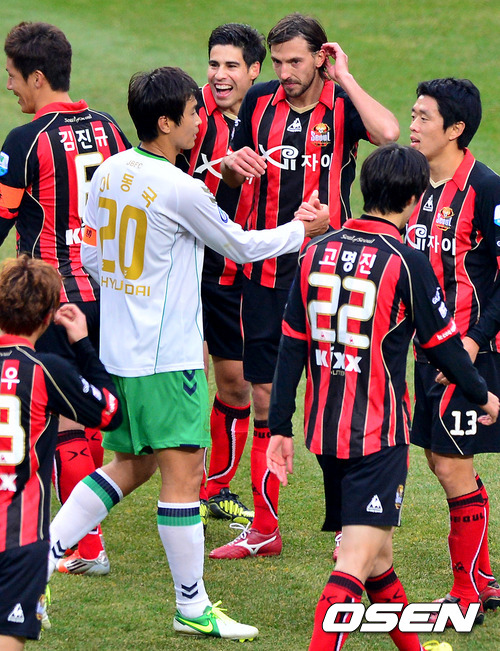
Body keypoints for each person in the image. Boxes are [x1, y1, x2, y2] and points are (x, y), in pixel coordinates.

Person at [46, 66, 328, 641]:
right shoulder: (181, 188)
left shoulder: (110, 171)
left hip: (119, 352)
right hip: (167, 360)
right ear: (166, 121)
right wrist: (304, 229)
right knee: (182, 475)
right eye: (194, 112)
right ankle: (192, 606)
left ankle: (33, 566)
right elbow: (241, 247)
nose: (202, 120)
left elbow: (92, 256)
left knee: (130, 466)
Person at [265, 143, 499, 650]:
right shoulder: (407, 262)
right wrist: (483, 395)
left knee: (378, 560)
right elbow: (444, 347)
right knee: (355, 561)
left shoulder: (315, 252)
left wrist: (279, 427)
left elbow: (290, 347)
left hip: (324, 435)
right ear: (414, 200)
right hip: (377, 437)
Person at [210, 11, 400, 560]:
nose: (285, 73)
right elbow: (232, 171)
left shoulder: (342, 103)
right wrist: (233, 164)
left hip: (331, 272)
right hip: (267, 270)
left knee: (337, 400)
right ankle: (265, 527)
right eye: (278, 62)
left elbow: (389, 135)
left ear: (321, 57)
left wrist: (347, 77)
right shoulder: (259, 101)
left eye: (296, 61)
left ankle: (346, 524)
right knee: (266, 394)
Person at [0, 21, 131, 575]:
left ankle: (85, 546)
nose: (9, 86)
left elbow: (2, 217)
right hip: (110, 293)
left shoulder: (24, 141)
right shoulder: (109, 128)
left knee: (63, 425)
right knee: (90, 403)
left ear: (37, 77)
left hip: (53, 299)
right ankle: (84, 532)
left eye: (12, 76)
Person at [406, 78, 500, 623]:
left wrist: (473, 340)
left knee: (449, 464)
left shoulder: (486, 189)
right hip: (429, 353)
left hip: (470, 352)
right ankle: (482, 579)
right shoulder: (413, 182)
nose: (413, 126)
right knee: (445, 461)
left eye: (424, 117)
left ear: (456, 129)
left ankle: (466, 593)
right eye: (413, 115)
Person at [0, 255, 122, 650]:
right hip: (19, 539)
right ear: (49, 316)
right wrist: (83, 345)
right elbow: (109, 412)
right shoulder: (46, 369)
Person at [178, 23, 266, 528]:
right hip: (194, 268)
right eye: (214, 64)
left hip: (243, 269)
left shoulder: (272, 118)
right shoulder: (190, 116)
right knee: (192, 377)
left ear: (254, 70)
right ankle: (183, 485)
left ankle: (216, 488)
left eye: (232, 65)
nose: (219, 75)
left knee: (236, 383)